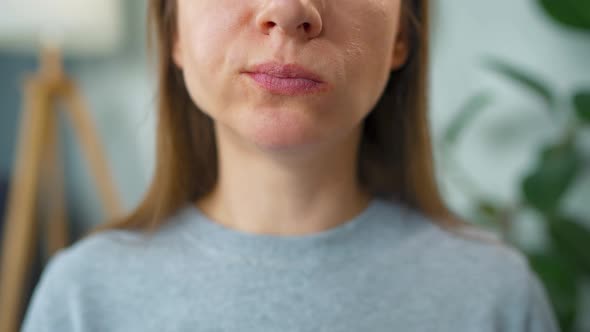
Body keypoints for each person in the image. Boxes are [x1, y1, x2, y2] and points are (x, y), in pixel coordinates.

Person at [21, 0, 560, 331]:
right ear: (174, 31)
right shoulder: (83, 299)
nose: (288, 9)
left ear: (401, 35)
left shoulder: (495, 300)